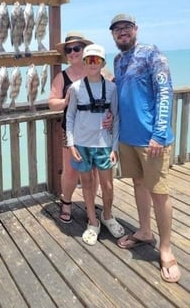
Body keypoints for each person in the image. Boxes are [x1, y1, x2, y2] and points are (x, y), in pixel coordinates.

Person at [109, 13, 181, 282]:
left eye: (126, 27)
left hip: (152, 141)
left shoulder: (153, 54)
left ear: (136, 29)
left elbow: (165, 91)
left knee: (159, 193)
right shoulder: (117, 60)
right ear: (113, 35)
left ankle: (165, 248)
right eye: (117, 29)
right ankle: (144, 232)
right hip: (127, 138)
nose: (122, 32)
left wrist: (159, 134)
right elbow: (121, 92)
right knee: (138, 184)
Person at [65, 44, 125, 245]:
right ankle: (92, 221)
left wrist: (115, 147)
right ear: (84, 62)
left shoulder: (112, 88)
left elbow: (115, 118)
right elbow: (70, 116)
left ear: (102, 63)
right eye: (89, 60)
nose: (92, 64)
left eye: (96, 60)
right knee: (87, 184)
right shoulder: (75, 88)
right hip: (82, 144)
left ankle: (107, 216)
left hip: (104, 145)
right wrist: (71, 145)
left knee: (107, 185)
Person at [48, 31, 101, 223]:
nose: (72, 53)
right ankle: (66, 202)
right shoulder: (62, 77)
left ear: (84, 50)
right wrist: (64, 101)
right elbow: (52, 102)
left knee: (93, 170)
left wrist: (111, 114)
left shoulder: (99, 70)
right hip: (70, 131)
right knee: (70, 170)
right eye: (68, 50)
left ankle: (90, 204)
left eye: (76, 49)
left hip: (96, 132)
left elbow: (113, 93)